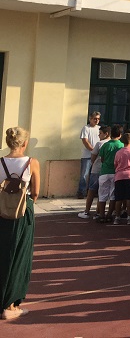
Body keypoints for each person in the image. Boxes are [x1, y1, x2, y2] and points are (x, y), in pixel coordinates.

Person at [0, 128, 39, 320]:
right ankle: (11, 305)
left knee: (2, 253)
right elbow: (36, 192)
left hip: (1, 211)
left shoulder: (0, 162)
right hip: (23, 212)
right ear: (25, 143)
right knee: (20, 255)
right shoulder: (32, 163)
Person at [79, 125, 109, 220]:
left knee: (91, 190)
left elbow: (93, 157)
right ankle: (98, 212)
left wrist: (94, 163)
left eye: (100, 133)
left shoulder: (99, 144)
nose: (99, 135)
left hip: (96, 169)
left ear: (106, 134)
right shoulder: (114, 143)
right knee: (102, 192)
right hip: (107, 170)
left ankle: (87, 211)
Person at [97, 125, 124, 223]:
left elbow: (102, 158)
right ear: (120, 134)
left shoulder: (105, 145)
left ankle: (102, 215)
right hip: (116, 172)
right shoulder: (121, 145)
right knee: (113, 195)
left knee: (102, 194)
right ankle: (109, 214)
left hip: (104, 171)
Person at [112, 133, 130, 225]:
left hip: (119, 176)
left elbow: (115, 164)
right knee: (129, 197)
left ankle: (117, 217)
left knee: (119, 198)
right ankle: (129, 216)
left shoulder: (118, 152)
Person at [77, 111, 101, 198]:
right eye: (95, 118)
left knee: (95, 175)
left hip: (97, 156)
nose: (96, 120)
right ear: (90, 119)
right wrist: (94, 150)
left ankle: (92, 191)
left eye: (98, 119)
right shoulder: (86, 128)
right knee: (84, 174)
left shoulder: (100, 129)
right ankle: (81, 192)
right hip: (87, 156)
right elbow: (85, 141)